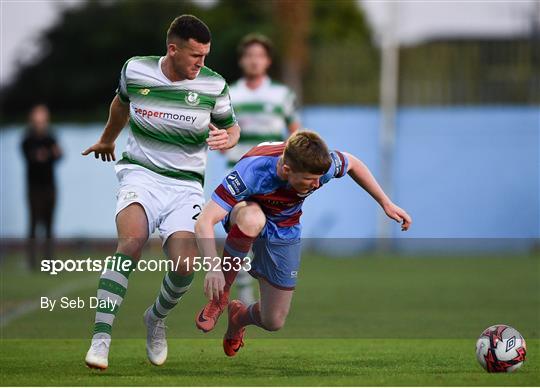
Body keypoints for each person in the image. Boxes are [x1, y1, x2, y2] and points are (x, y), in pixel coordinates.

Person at [81, 14, 240, 370]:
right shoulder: (136, 70)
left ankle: (155, 319)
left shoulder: (214, 86)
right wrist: (108, 138)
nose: (202, 63)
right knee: (132, 241)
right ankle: (101, 338)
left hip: (185, 186)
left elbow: (232, 128)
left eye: (206, 55)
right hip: (141, 175)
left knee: (185, 264)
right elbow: (121, 104)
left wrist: (225, 138)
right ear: (173, 49)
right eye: (195, 56)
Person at [194, 131, 412, 356]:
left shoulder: (320, 167)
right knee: (253, 219)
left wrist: (386, 203)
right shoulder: (252, 171)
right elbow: (204, 222)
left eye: (319, 178)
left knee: (273, 320)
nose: (317, 184)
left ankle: (238, 317)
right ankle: (220, 298)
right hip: (246, 211)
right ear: (287, 170)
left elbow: (353, 163)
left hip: (284, 229)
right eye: (310, 180)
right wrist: (213, 268)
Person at [224, 33, 301, 304]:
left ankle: (261, 286)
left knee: (264, 236)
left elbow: (296, 135)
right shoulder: (230, 93)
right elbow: (223, 133)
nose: (254, 61)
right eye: (249, 56)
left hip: (273, 178)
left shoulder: (281, 95)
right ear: (242, 60)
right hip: (241, 173)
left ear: (267, 61)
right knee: (246, 228)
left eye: (259, 56)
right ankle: (243, 289)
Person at [21, 104, 62, 270]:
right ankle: (31, 262)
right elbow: (33, 156)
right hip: (34, 187)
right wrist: (47, 154)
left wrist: (48, 154)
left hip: (50, 186)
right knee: (33, 224)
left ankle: (49, 262)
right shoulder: (27, 138)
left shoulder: (51, 137)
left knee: (49, 225)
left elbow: (58, 154)